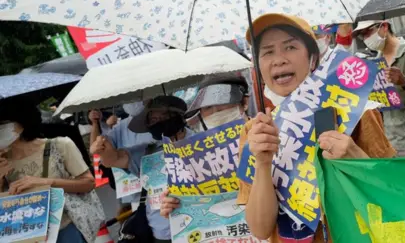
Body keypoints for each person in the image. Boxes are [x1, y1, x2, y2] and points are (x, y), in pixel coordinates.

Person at [161, 14, 395, 242]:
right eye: (267, 52)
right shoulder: (254, 132)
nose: (279, 59)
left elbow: (393, 194)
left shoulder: (355, 112)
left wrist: (355, 158)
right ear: (259, 66)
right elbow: (261, 229)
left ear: (312, 57)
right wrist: (262, 164)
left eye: (290, 47)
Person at [0, 98, 104, 243]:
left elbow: (88, 182)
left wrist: (45, 182)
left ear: (22, 121)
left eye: (3, 124)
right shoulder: (2, 161)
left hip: (65, 229)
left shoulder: (60, 145)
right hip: (27, 235)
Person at [92, 96, 193, 243]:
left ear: (177, 117)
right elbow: (112, 159)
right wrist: (101, 147)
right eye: (152, 120)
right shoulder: (147, 153)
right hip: (162, 231)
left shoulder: (202, 143)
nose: (157, 121)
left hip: (201, 225)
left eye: (163, 116)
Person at [353, 20, 405, 156]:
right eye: (362, 36)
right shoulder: (375, 61)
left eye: (368, 32)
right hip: (389, 139)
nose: (366, 39)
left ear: (384, 27)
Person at [185, 80, 250, 131]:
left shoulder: (259, 133)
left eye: (222, 102)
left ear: (244, 102)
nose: (216, 111)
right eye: (208, 107)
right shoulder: (204, 145)